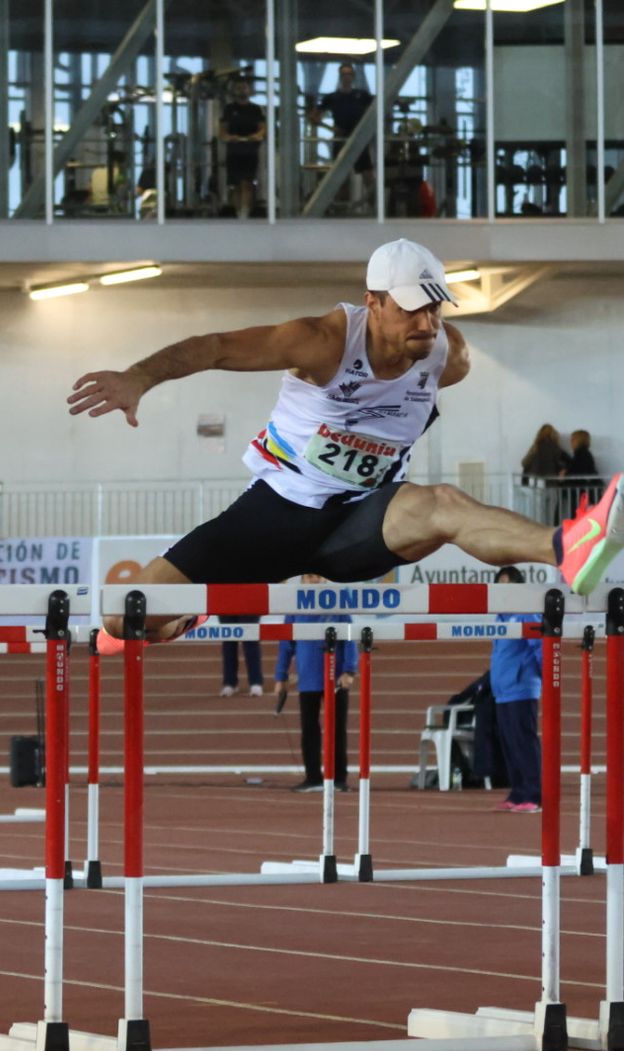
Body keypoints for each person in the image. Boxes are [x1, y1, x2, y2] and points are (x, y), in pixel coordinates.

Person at [67, 238, 624, 645]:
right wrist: (138, 376)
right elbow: (215, 346)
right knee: (125, 616)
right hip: (277, 512)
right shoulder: (321, 342)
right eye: (411, 307)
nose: (426, 322)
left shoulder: (447, 356)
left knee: (443, 504)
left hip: (362, 520)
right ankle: (192, 615)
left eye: (434, 305)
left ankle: (568, 546)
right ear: (374, 301)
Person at [273, 580, 355, 792]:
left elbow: (350, 637)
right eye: (309, 576)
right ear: (302, 580)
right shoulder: (295, 607)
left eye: (318, 576)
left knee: (337, 729)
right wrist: (280, 676)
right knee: (309, 729)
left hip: (335, 678)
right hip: (308, 678)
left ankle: (339, 777)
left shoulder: (337, 604)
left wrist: (349, 670)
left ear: (325, 579)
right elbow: (285, 644)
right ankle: (313, 777)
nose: (314, 580)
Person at [489, 565, 542, 813]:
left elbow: (540, 647)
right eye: (498, 585)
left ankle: (534, 794)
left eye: (507, 585)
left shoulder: (526, 613)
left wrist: (549, 678)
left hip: (522, 688)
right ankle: (518, 791)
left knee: (523, 741)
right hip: (503, 691)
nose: (502, 591)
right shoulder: (499, 617)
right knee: (509, 742)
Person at [309, 63, 376, 210]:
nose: (346, 77)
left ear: (353, 76)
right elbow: (314, 117)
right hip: (341, 139)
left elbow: (377, 106)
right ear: (340, 77)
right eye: (344, 74)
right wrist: (331, 128)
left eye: (349, 74)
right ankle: (339, 209)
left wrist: (368, 128)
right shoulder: (332, 97)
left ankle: (376, 208)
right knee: (339, 177)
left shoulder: (361, 95)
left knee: (368, 175)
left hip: (358, 139)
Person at [217, 78, 266, 219]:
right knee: (235, 184)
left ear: (249, 90)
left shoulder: (255, 109)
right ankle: (238, 212)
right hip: (234, 151)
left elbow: (263, 129)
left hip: (250, 151)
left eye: (244, 87)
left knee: (247, 182)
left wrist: (256, 136)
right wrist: (229, 137)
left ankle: (245, 212)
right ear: (234, 91)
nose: (242, 90)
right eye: (239, 88)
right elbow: (222, 131)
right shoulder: (229, 109)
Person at [218, 614, 263, 697]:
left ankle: (255, 682)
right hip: (226, 604)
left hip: (249, 603)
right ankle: (229, 683)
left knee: (250, 640)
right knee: (228, 641)